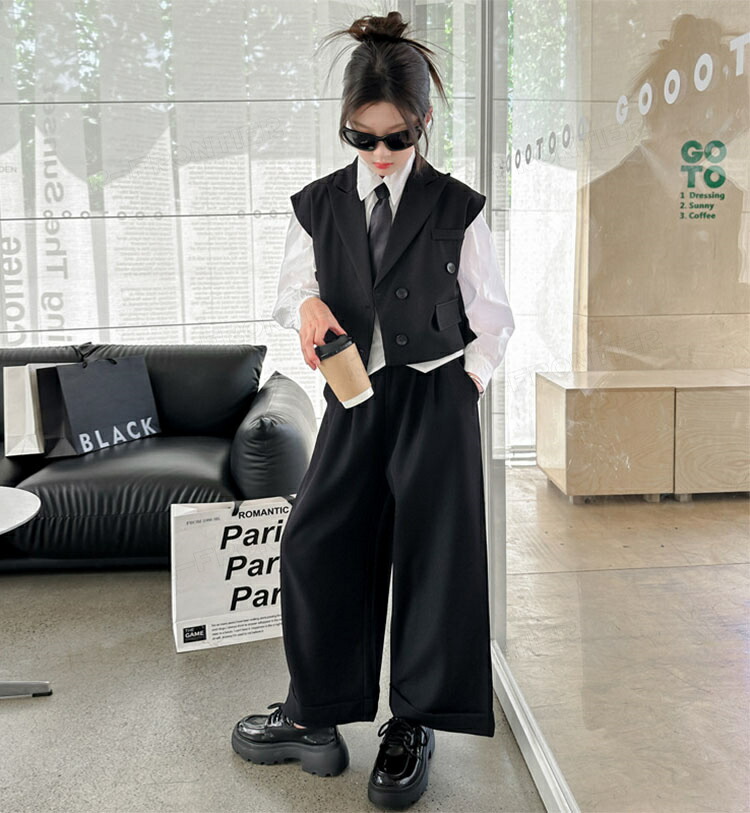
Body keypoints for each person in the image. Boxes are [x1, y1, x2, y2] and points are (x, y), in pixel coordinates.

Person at [231, 11, 515, 809]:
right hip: (353, 393)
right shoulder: (318, 204)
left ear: (422, 124)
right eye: (363, 137)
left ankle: (412, 723)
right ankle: (314, 713)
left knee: (434, 557)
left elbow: (494, 319)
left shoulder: (457, 206)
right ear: (346, 125)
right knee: (317, 541)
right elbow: (293, 284)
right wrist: (307, 307)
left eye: (397, 137)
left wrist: (466, 385)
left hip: (436, 396)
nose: (381, 154)